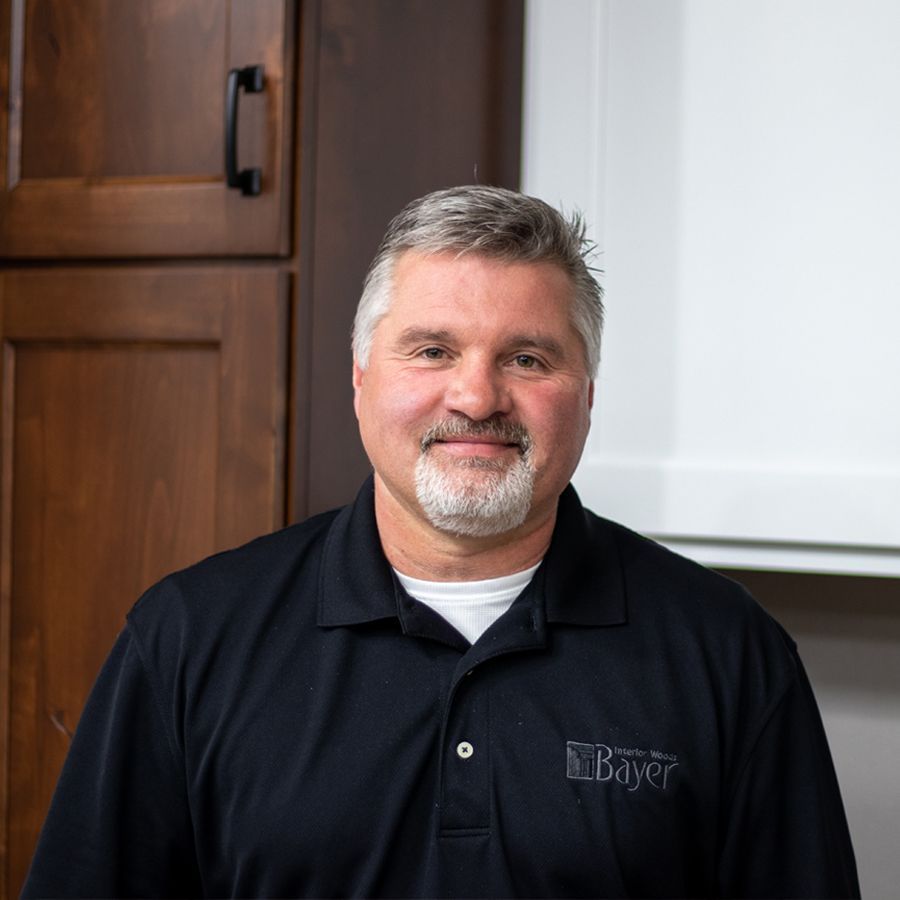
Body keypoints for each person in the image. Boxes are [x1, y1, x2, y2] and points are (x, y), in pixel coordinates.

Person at [24, 186, 859, 898]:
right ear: (359, 378)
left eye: (528, 358)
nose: (476, 394)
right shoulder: (187, 639)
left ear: (588, 394)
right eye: (432, 350)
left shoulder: (730, 655)